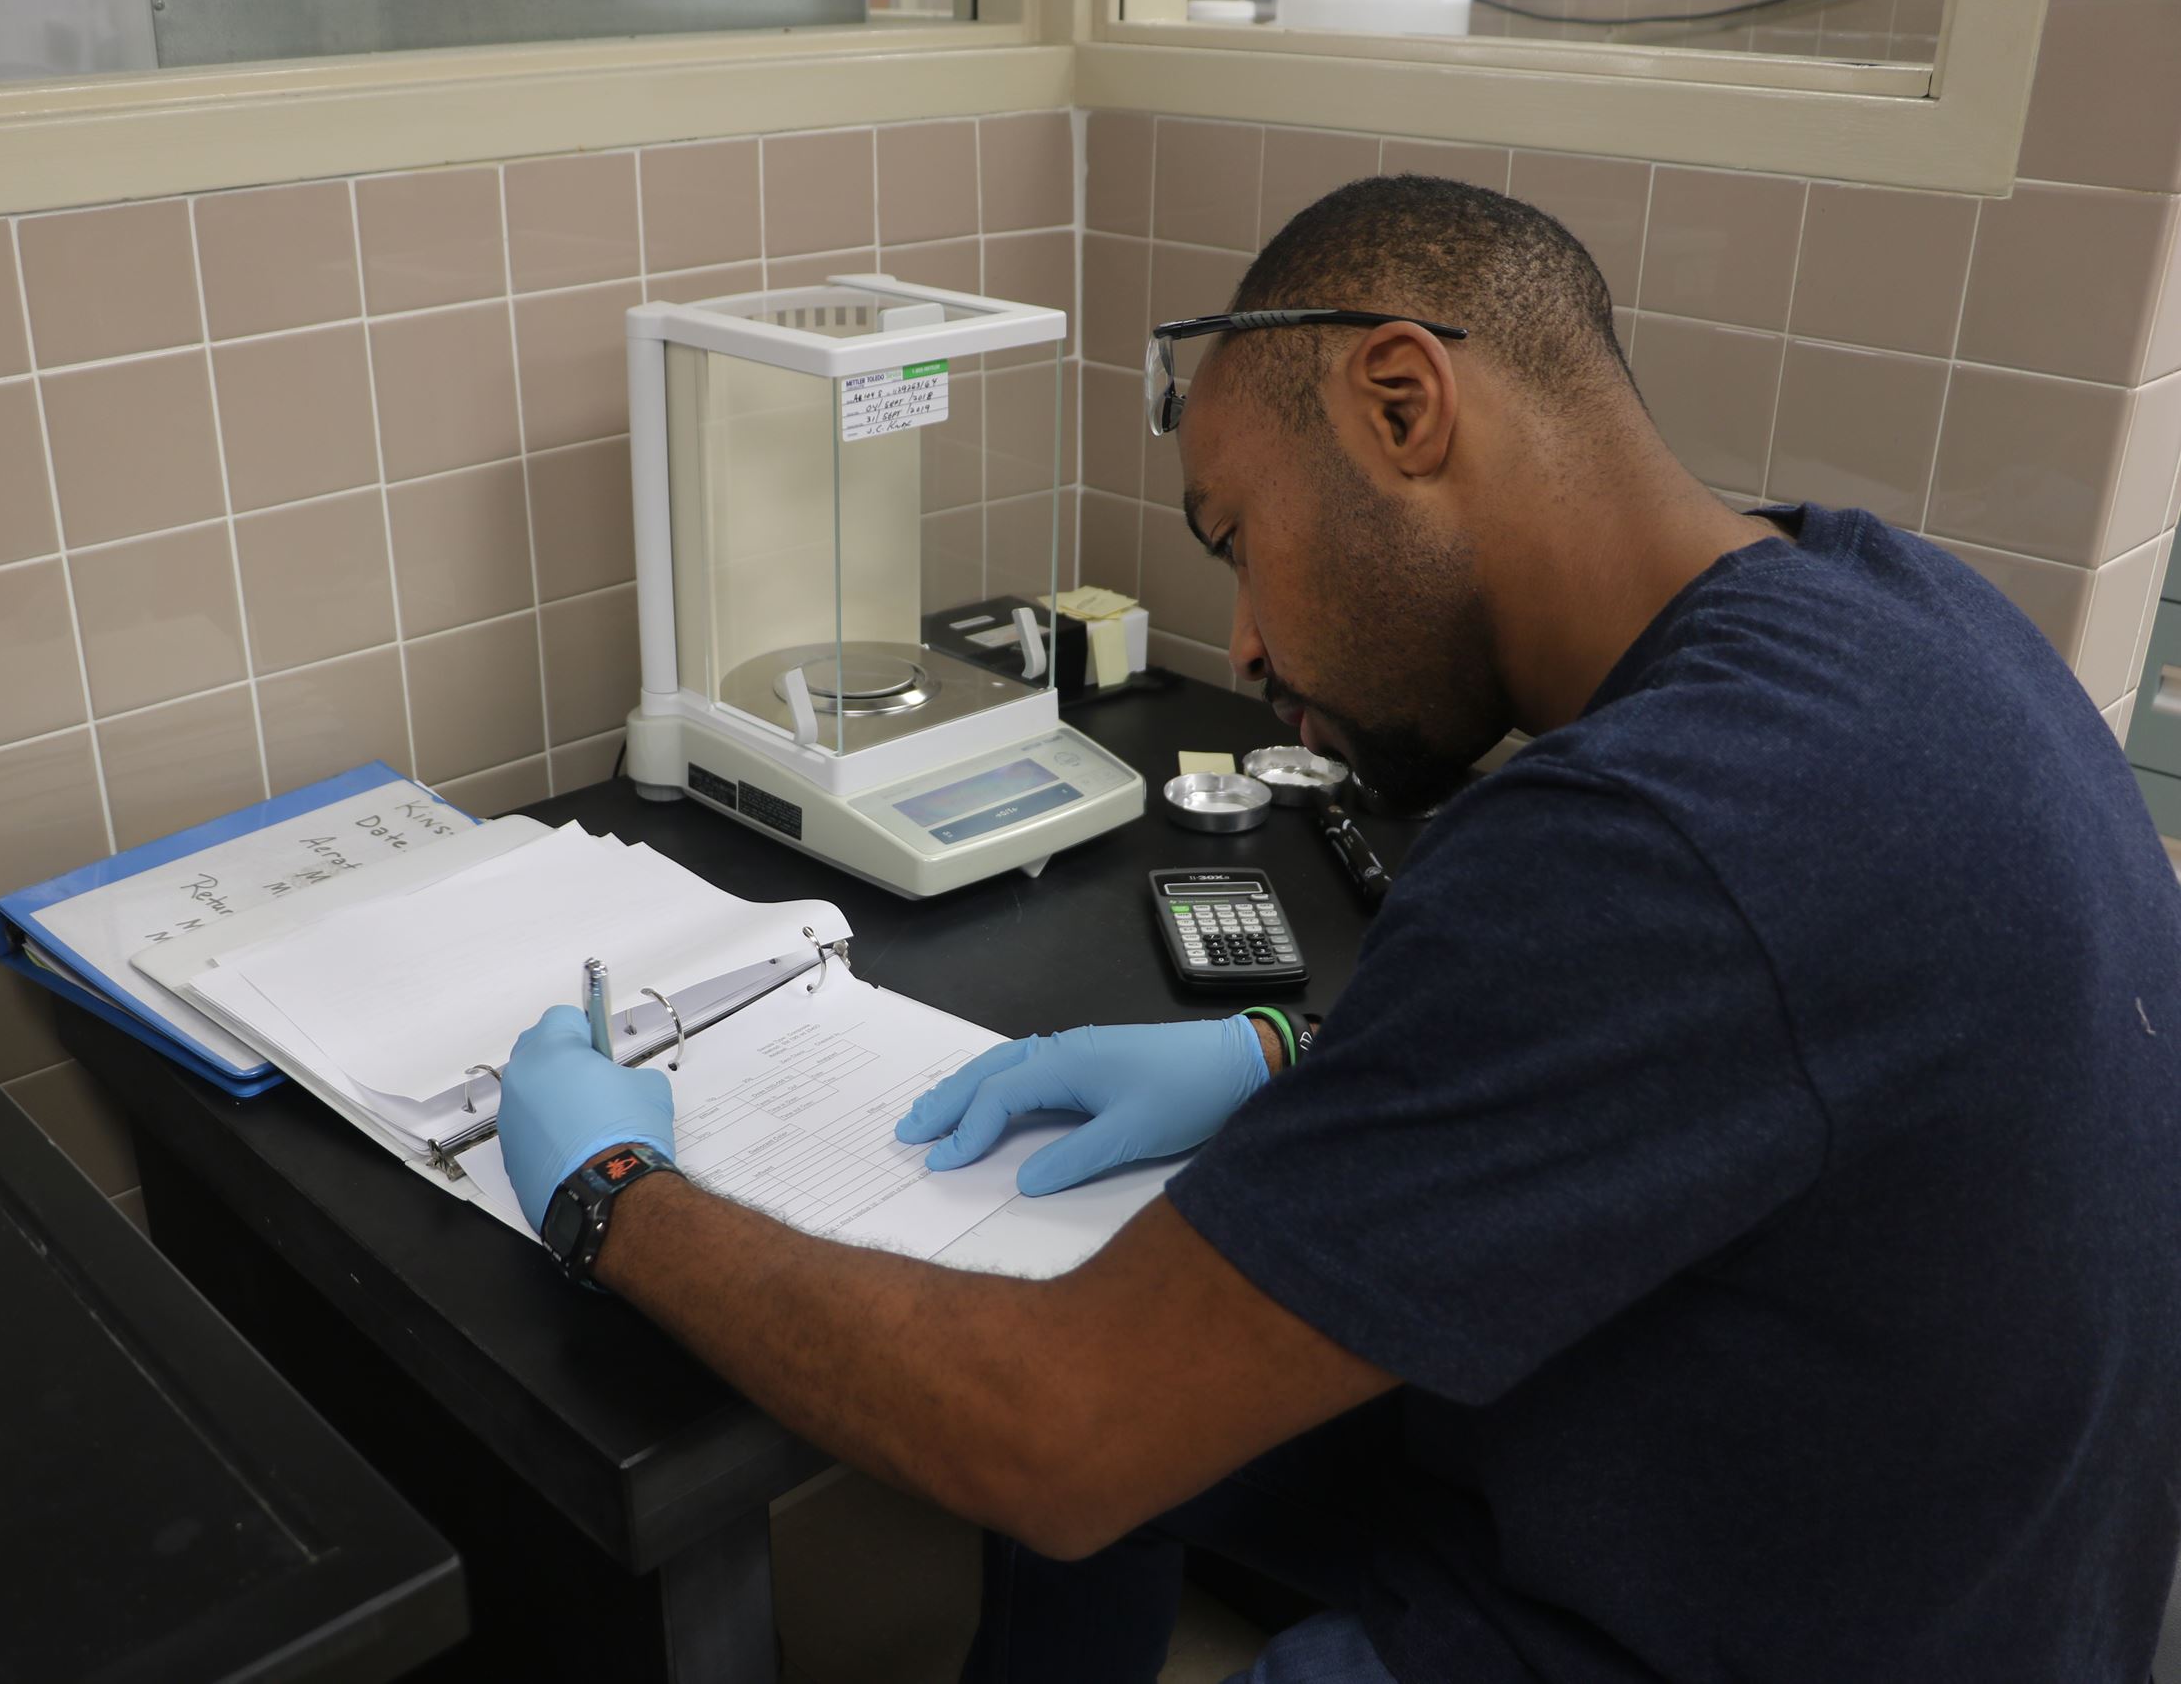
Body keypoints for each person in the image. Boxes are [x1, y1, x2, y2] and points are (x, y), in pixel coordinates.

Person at [494, 175, 2181, 1682]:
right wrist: (1285, 1047)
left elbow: (1059, 1430)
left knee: (1090, 1415)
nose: (1238, 643)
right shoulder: (1897, 610)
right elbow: (1747, 1062)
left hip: (1744, 1613)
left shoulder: (1646, 836)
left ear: (1401, 401)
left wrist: (614, 1198)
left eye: (1239, 539)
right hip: (1937, 1549)